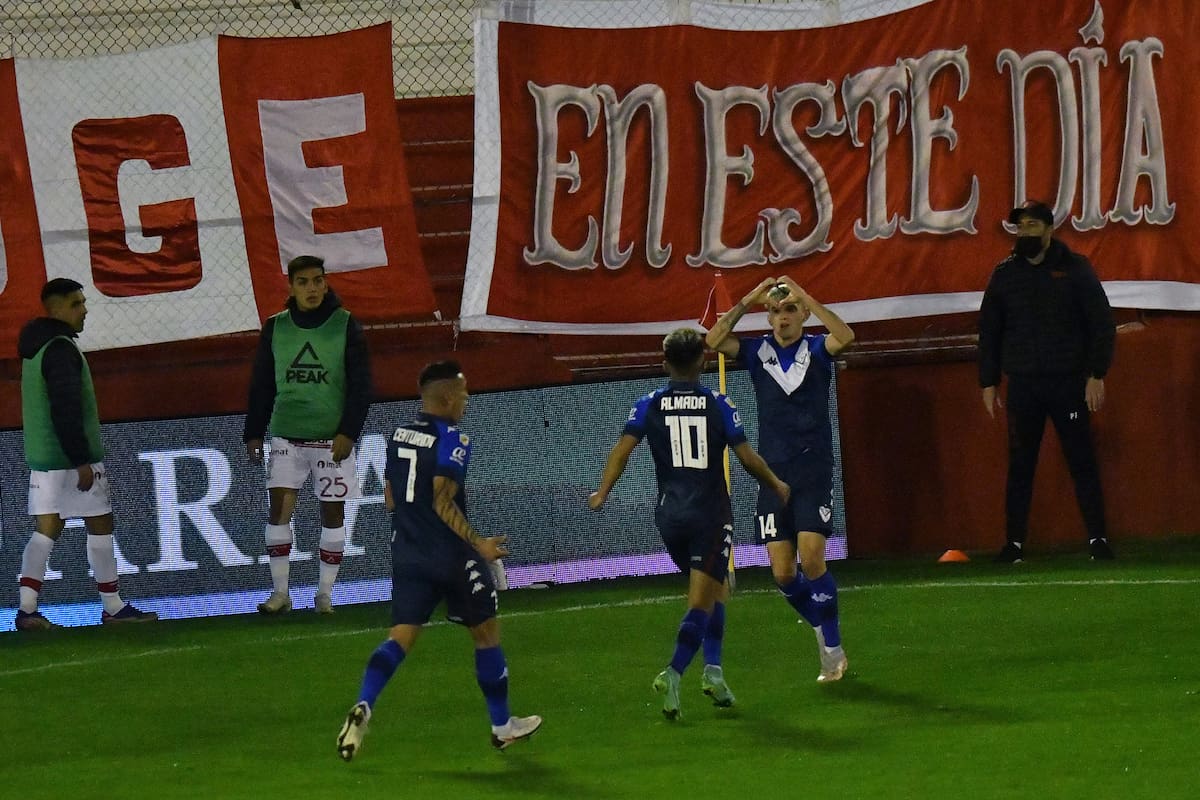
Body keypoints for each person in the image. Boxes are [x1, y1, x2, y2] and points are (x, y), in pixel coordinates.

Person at [336, 361, 541, 761]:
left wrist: (411, 529)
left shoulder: (396, 435)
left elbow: (392, 495)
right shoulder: (454, 439)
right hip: (451, 556)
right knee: (486, 636)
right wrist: (478, 544)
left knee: (400, 637)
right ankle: (502, 727)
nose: (467, 400)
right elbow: (441, 498)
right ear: (447, 398)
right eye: (464, 394)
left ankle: (365, 703)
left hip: (408, 554)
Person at [589, 328, 790, 719]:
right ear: (702, 361)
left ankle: (714, 673)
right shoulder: (718, 403)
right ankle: (674, 672)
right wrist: (776, 484)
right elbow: (747, 457)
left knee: (716, 592)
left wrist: (603, 492)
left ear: (665, 364)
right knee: (701, 602)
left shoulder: (648, 404)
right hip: (710, 516)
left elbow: (622, 450)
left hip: (669, 517)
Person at [705, 275, 855, 682]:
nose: (782, 318)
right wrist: (749, 299)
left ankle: (833, 647)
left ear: (803, 314)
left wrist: (806, 293)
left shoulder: (817, 349)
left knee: (812, 557)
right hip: (772, 474)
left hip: (812, 467)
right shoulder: (758, 352)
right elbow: (715, 340)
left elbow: (846, 334)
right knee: (784, 574)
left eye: (789, 310)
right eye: (774, 311)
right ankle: (823, 630)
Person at [15, 278, 158, 630]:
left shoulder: (35, 347)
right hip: (69, 457)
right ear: (58, 309)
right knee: (100, 523)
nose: (84, 310)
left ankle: (27, 609)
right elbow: (66, 407)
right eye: (77, 303)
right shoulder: (61, 349)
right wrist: (80, 460)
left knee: (46, 529)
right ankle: (112, 605)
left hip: (43, 456)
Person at [978, 200, 1116, 563]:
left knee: (1081, 461)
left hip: (1068, 382)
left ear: (1049, 229)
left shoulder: (1075, 269)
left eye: (1032, 225)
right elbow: (989, 331)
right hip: (1023, 384)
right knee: (1020, 464)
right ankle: (1014, 544)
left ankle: (1098, 540)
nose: (1024, 232)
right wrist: (988, 382)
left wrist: (1096, 374)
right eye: (1020, 226)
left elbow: (1101, 323)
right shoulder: (1005, 274)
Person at [243, 255, 372, 615]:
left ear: (326, 283)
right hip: (286, 436)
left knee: (332, 515)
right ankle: (280, 593)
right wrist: (253, 432)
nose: (312, 288)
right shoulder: (275, 327)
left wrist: (349, 431)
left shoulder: (345, 325)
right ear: (291, 286)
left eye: (318, 281)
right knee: (279, 511)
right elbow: (262, 383)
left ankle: (324, 594)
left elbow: (362, 384)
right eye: (304, 282)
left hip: (331, 439)